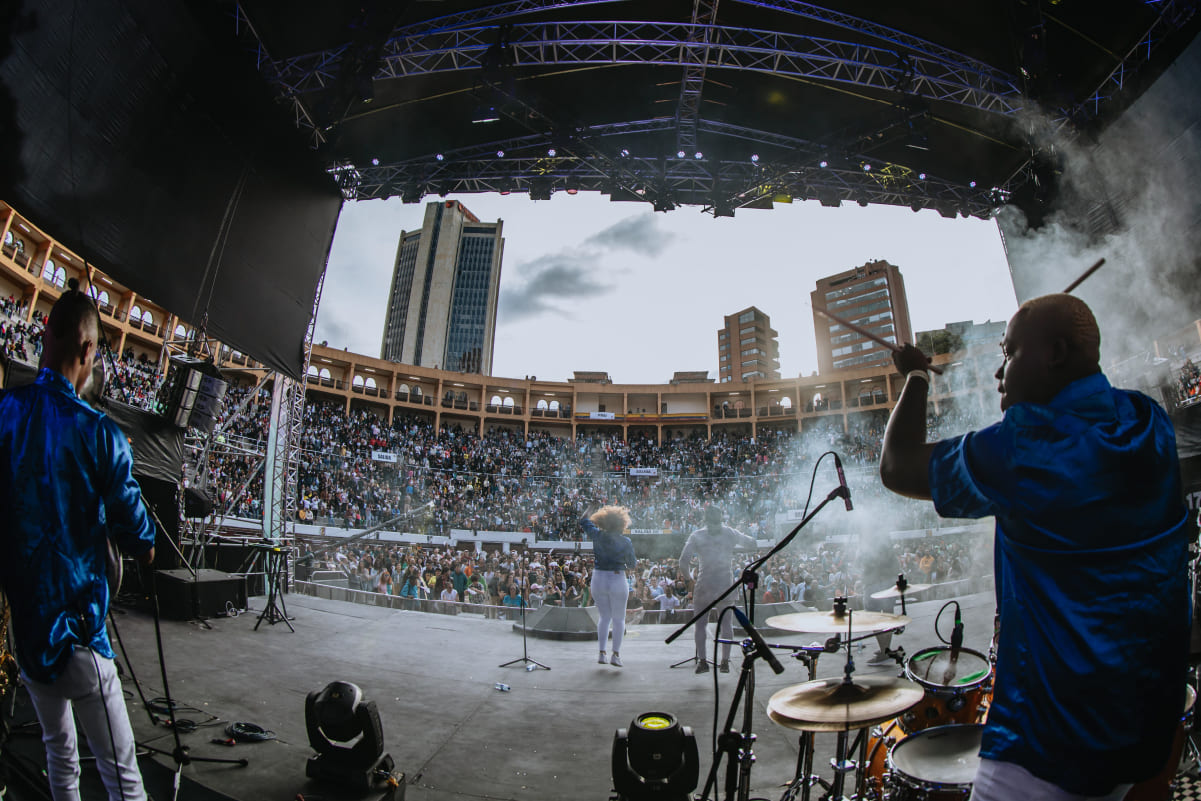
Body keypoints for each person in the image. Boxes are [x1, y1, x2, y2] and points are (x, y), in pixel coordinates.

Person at [879, 293, 1189, 801]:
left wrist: (914, 376)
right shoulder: (1149, 421)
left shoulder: (1023, 448)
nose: (1000, 371)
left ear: (1056, 354)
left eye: (1010, 352)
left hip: (1049, 749)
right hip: (1147, 737)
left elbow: (897, 465)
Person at [0, 282, 156, 801]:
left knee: (58, 751)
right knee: (122, 774)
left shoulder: (4, 412)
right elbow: (139, 536)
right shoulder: (101, 433)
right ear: (88, 351)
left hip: (28, 630)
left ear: (45, 335)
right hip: (82, 636)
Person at [679, 504, 758, 674]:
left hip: (704, 584)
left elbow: (683, 561)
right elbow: (752, 543)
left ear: (705, 519)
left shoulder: (697, 535)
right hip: (725, 584)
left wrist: (689, 580)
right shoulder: (730, 533)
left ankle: (702, 662)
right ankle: (724, 662)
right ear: (721, 517)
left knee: (700, 625)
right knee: (726, 624)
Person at [580, 505, 637, 668]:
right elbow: (632, 563)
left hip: (598, 578)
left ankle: (601, 653)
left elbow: (583, 520)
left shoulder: (597, 535)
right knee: (619, 619)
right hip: (617, 577)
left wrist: (591, 507)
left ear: (603, 522)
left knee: (604, 617)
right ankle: (616, 655)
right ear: (621, 524)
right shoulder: (626, 541)